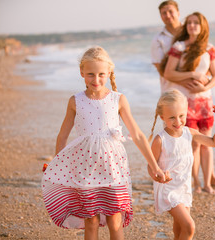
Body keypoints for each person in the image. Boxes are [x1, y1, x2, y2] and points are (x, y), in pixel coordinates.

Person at [41, 46, 167, 240]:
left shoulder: (118, 99)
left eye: (101, 74)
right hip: (85, 168)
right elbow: (62, 136)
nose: (96, 79)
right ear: (81, 73)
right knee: (90, 221)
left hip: (113, 168)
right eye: (90, 74)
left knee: (115, 220)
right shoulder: (75, 101)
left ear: (109, 73)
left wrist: (155, 165)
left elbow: (138, 135)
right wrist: (59, 164)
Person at [148, 89, 215, 240]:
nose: (178, 122)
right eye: (172, 117)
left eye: (181, 116)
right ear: (162, 117)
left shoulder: (189, 133)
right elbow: (150, 165)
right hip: (167, 189)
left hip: (184, 188)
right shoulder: (160, 140)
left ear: (187, 113)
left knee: (179, 229)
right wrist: (157, 175)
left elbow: (214, 142)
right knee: (189, 226)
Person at [162, 12, 215, 194]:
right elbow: (168, 73)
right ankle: (196, 183)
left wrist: (203, 87)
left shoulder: (210, 48)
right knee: (194, 145)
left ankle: (207, 183)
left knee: (207, 144)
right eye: (189, 23)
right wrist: (193, 75)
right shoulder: (179, 46)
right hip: (186, 103)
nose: (192, 26)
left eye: (196, 23)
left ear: (203, 26)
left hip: (205, 102)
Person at [151, 0, 181, 93]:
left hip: (195, 88)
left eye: (171, 11)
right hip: (171, 91)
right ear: (161, 17)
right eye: (164, 13)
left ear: (178, 13)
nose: (168, 15)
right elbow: (161, 70)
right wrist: (188, 80)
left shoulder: (190, 32)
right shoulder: (157, 40)